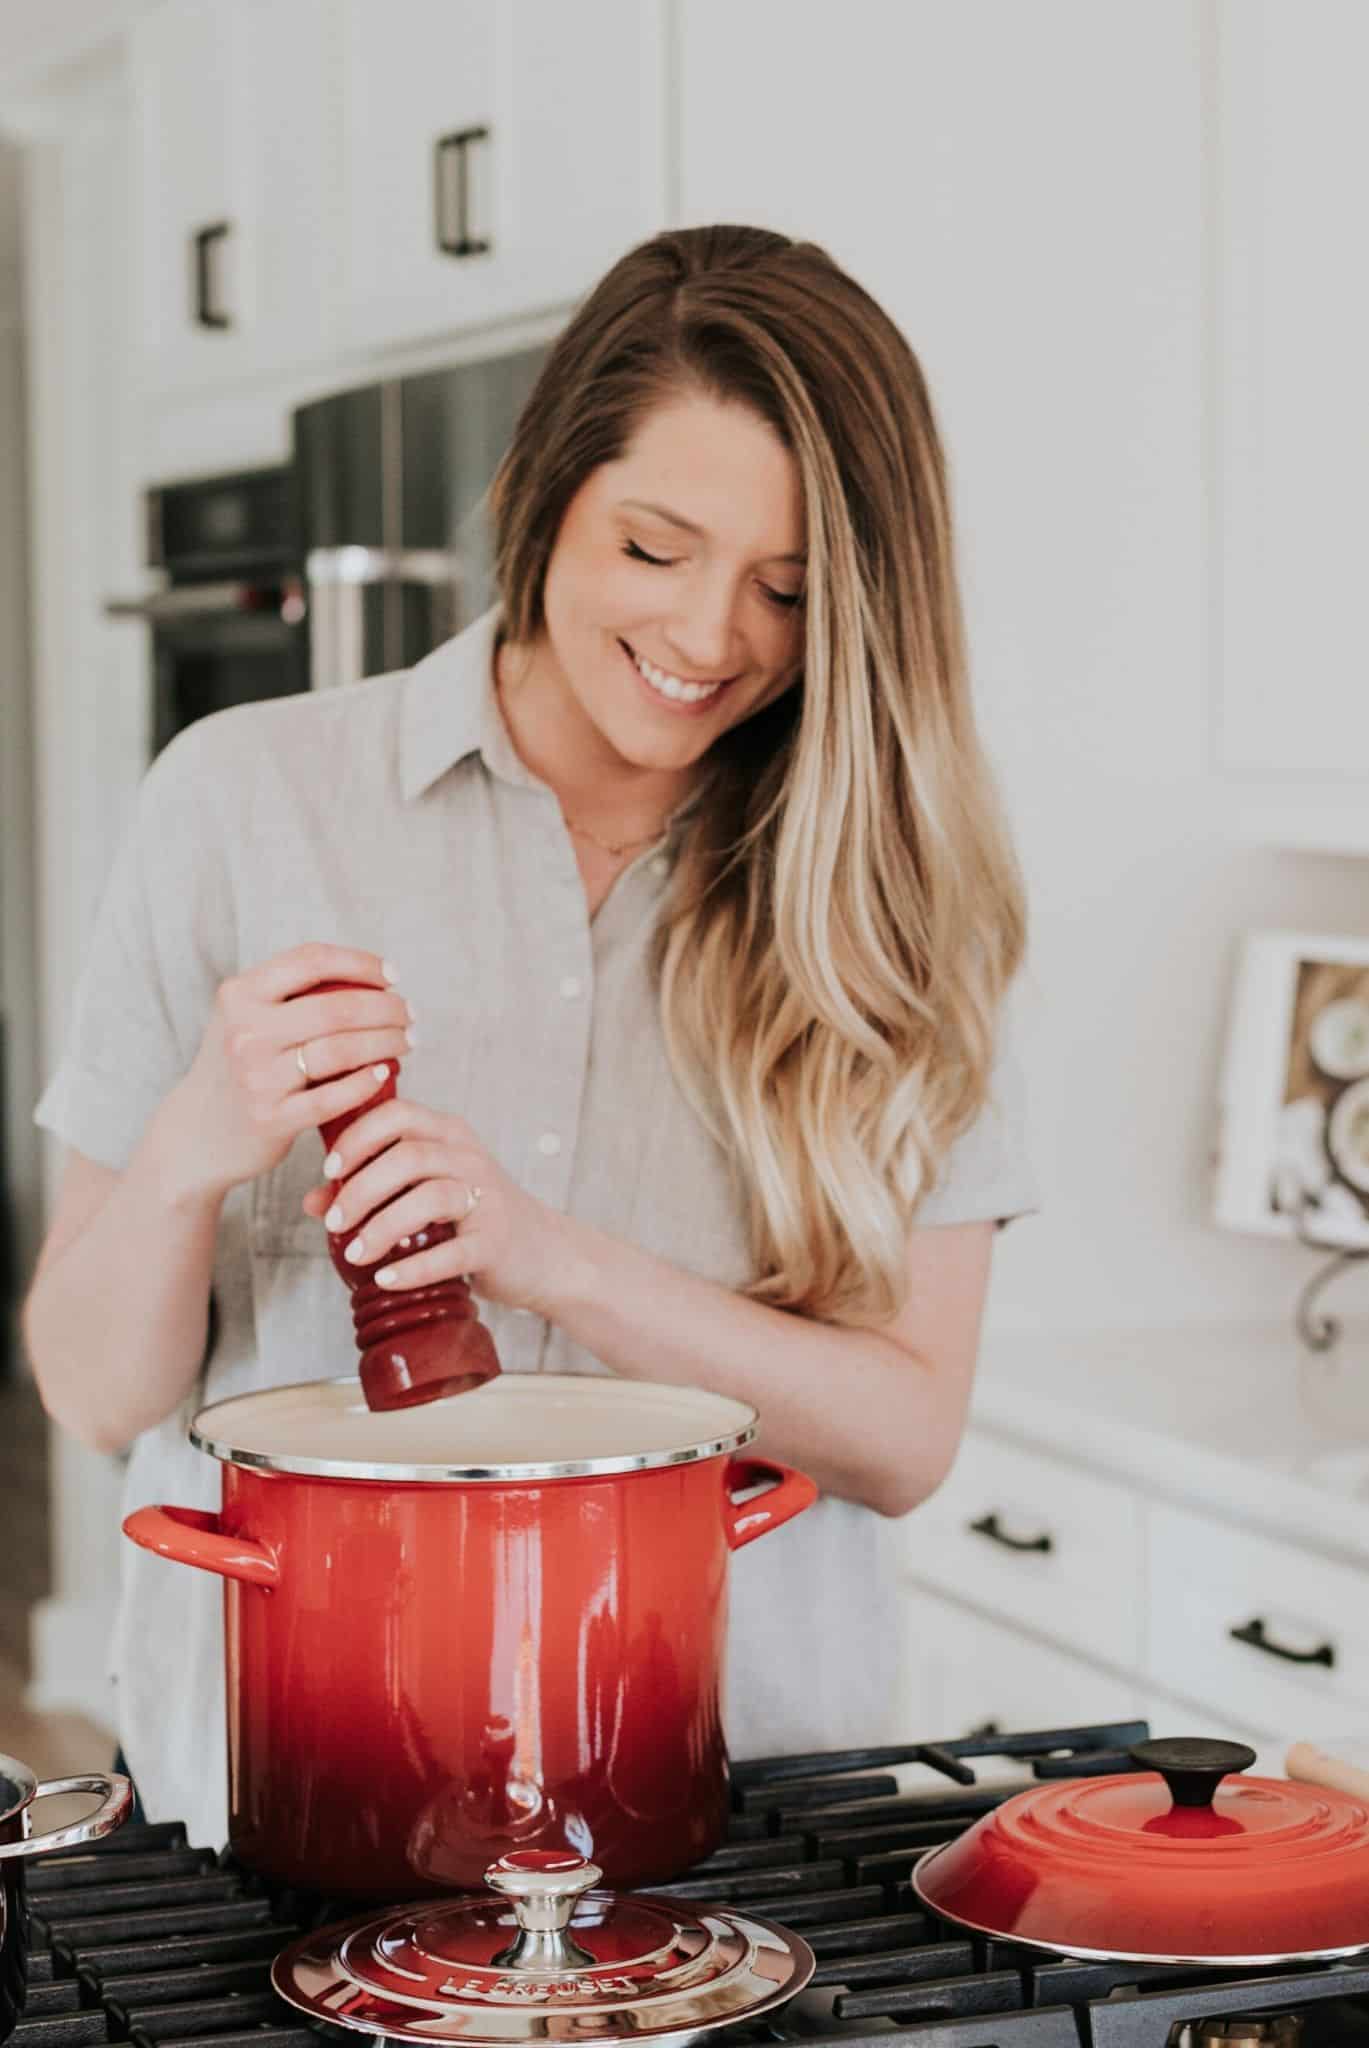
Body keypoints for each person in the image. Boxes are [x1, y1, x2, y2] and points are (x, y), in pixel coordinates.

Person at [23, 224, 1035, 1848]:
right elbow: (86, 1388)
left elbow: (906, 1440)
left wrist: (541, 1254)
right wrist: (188, 1153)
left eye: (787, 589)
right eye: (654, 547)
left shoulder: (898, 898)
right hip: (294, 1794)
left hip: (737, 1807)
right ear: (546, 494)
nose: (712, 636)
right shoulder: (243, 798)